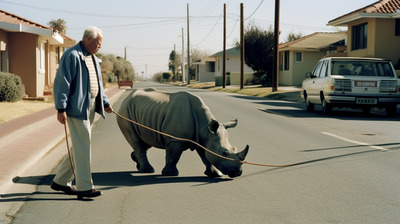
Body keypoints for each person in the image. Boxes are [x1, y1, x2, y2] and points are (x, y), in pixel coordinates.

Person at [51, 26, 113, 200]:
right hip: (77, 108)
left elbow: (98, 84)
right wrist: (61, 108)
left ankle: (61, 181)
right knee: (84, 146)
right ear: (88, 39)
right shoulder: (71, 55)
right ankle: (85, 187)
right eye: (98, 43)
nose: (99, 46)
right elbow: (62, 83)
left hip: (91, 106)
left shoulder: (92, 57)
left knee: (80, 145)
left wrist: (105, 102)